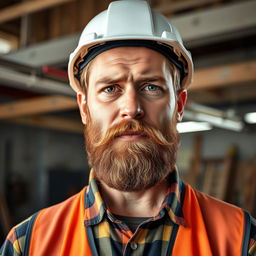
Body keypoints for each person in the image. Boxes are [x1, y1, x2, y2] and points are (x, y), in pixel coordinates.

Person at [1, 0, 256, 255]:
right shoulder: (27, 244)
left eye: (151, 87)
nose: (131, 108)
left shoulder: (242, 240)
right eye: (110, 89)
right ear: (84, 107)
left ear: (179, 104)